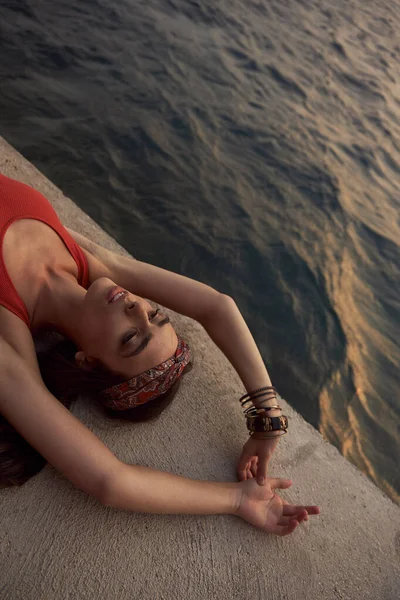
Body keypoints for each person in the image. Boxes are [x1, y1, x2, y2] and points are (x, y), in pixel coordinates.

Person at [0, 173, 319, 536]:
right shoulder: (90, 262)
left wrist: (236, 499)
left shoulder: (9, 343)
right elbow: (217, 306)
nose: (136, 308)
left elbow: (111, 481)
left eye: (132, 337)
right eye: (154, 315)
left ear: (86, 359)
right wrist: (268, 415)